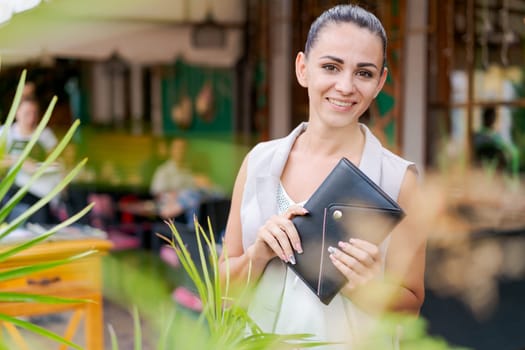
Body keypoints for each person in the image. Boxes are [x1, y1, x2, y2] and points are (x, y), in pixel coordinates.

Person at [219, 4, 425, 348]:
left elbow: (410, 307)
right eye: (331, 67)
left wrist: (369, 289)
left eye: (364, 73)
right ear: (303, 68)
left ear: (380, 83)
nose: (345, 86)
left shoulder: (398, 180)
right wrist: (259, 254)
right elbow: (220, 291)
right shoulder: (258, 163)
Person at [0, 95, 60, 224]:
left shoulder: (45, 135)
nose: (31, 118)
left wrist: (35, 166)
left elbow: (56, 162)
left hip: (39, 191)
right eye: (27, 113)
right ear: (17, 113)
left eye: (34, 113)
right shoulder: (5, 133)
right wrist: (20, 161)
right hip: (10, 191)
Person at [473, 106, 520, 174]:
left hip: (487, 162)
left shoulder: (480, 134)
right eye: (491, 117)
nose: (492, 119)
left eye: (493, 117)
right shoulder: (488, 134)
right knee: (511, 154)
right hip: (491, 161)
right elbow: (508, 148)